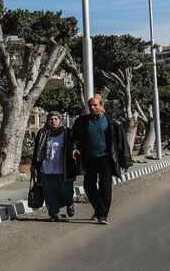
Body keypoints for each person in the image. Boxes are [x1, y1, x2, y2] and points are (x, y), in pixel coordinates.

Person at [72, 95, 132, 225]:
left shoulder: (113, 122)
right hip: (89, 158)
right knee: (89, 186)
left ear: (102, 106)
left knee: (105, 186)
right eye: (90, 106)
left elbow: (121, 143)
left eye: (95, 105)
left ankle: (102, 214)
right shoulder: (81, 122)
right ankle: (98, 209)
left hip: (106, 158)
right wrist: (75, 147)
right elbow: (75, 137)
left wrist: (125, 161)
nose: (92, 108)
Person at [32, 112, 78, 222]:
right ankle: (54, 213)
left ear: (60, 120)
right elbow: (36, 150)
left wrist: (74, 149)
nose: (53, 121)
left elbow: (74, 144)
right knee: (49, 191)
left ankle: (69, 203)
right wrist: (34, 164)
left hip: (63, 168)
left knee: (66, 191)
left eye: (56, 119)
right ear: (48, 120)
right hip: (46, 168)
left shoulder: (67, 132)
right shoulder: (42, 133)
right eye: (51, 119)